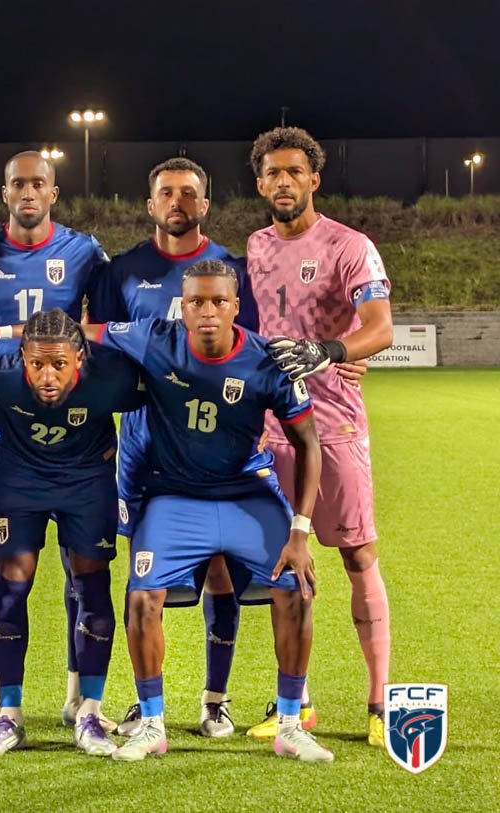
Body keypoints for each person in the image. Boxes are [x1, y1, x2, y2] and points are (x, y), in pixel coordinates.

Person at [92, 260, 333, 762]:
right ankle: (152, 723)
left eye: (218, 302)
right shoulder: (155, 339)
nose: (206, 312)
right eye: (196, 302)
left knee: (298, 588)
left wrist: (300, 530)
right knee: (142, 596)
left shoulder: (268, 359)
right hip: (175, 497)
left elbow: (308, 444)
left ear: (235, 307)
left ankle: (290, 723)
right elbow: (79, 332)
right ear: (183, 307)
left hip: (247, 492)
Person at [0, 151, 113, 734]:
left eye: (37, 184)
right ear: (4, 192)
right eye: (17, 183)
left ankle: (79, 698)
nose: (27, 192)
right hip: (1, 433)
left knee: (82, 566)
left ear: (53, 192)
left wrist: (6, 333)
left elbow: (104, 326)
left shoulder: (84, 252)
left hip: (71, 434)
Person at [246, 127, 394, 746]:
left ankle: (380, 701)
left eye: (294, 172)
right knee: (284, 567)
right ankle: (296, 705)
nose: (283, 182)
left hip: (334, 427)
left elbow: (381, 327)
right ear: (259, 184)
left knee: (357, 555)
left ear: (314, 179)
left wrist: (329, 350)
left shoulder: (348, 245)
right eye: (272, 173)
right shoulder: (252, 247)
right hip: (271, 431)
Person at [0, 309, 146, 757]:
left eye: (59, 364)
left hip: (86, 485)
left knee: (92, 592)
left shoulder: (114, 377)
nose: (47, 375)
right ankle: (8, 714)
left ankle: (89, 712)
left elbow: (171, 389)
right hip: (21, 482)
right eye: (36, 363)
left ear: (79, 358)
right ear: (21, 357)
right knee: (11, 587)